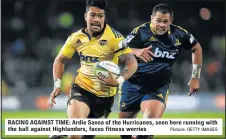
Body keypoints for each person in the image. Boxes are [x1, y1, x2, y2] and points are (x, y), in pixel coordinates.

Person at [47, 0, 138, 139]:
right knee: (75, 135)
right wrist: (57, 85)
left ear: (104, 17)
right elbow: (60, 59)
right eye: (93, 15)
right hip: (81, 89)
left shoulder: (115, 37)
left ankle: (64, 128)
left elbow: (132, 62)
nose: (96, 19)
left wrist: (119, 80)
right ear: (85, 16)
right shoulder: (75, 38)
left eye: (100, 16)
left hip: (104, 98)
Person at [119, 4, 202, 139]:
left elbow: (197, 48)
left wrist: (195, 77)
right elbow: (117, 52)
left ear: (171, 20)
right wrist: (136, 51)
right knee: (125, 133)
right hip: (132, 85)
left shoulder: (179, 34)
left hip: (157, 88)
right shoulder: (140, 32)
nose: (162, 25)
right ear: (152, 18)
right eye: (158, 20)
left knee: (148, 128)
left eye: (165, 21)